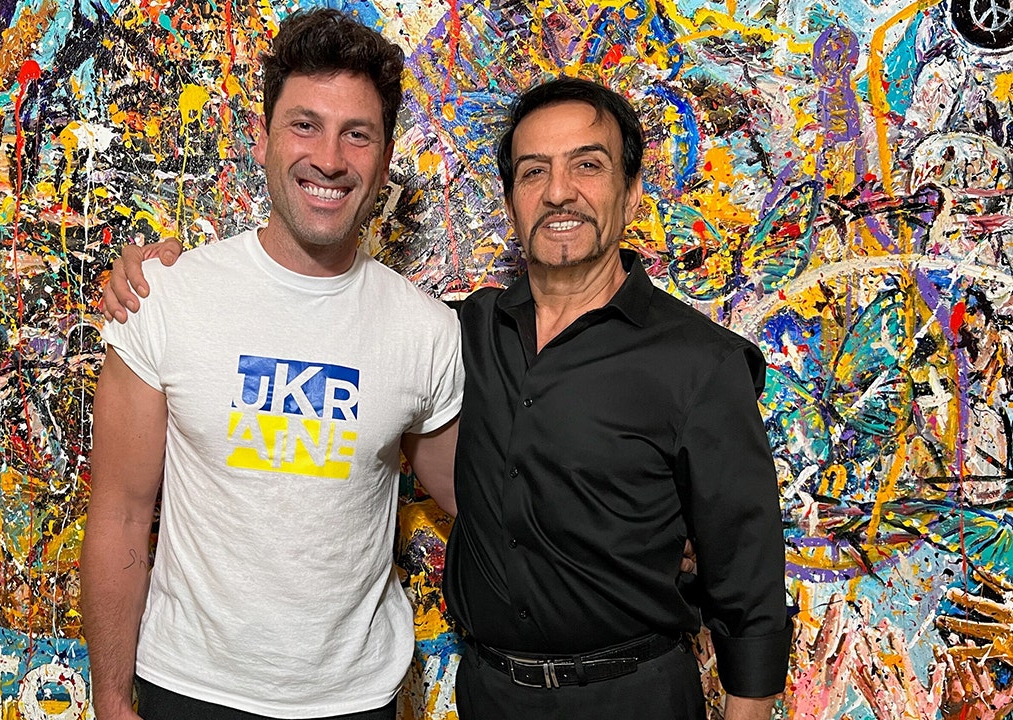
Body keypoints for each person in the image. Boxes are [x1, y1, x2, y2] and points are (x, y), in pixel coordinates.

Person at [102, 78, 790, 719]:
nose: (559, 192)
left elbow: (748, 578)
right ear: (512, 201)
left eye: (587, 165)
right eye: (534, 172)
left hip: (632, 693)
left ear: (632, 193)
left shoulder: (699, 362)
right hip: (488, 692)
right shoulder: (460, 332)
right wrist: (164, 273)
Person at [80, 8, 463, 720]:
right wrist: (109, 699)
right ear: (262, 139)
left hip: (354, 698)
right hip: (189, 689)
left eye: (357, 134)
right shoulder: (165, 298)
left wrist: (645, 528)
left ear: (383, 161)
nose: (330, 158)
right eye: (305, 125)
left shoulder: (427, 331)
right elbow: (121, 514)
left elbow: (478, 498)